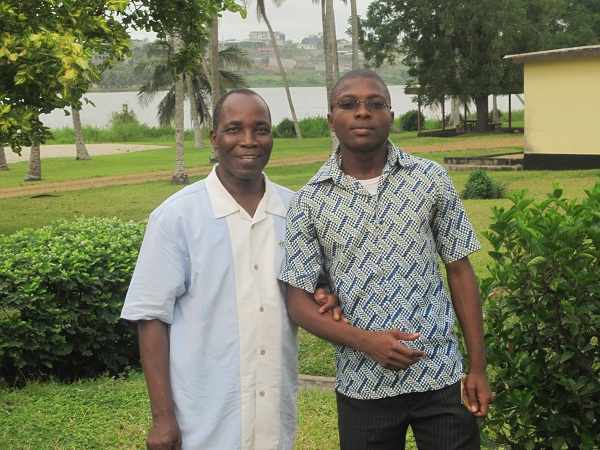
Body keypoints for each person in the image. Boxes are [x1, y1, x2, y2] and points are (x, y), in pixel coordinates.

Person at [278, 70, 493, 450]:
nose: (362, 112)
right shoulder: (309, 201)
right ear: (331, 119)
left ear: (390, 116)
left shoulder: (429, 179)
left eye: (375, 104)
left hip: (439, 376)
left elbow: (460, 271)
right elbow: (297, 302)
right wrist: (366, 342)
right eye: (349, 104)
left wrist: (477, 366)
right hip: (363, 385)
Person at [120, 89, 339, 450]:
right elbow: (151, 318)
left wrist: (326, 295)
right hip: (202, 423)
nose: (248, 141)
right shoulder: (177, 217)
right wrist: (162, 419)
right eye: (234, 129)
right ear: (214, 138)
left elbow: (316, 288)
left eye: (261, 129)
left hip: (273, 417)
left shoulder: (296, 211)